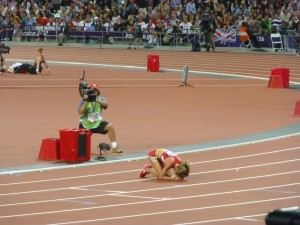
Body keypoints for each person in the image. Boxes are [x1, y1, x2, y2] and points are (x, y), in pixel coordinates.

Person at [77, 83, 122, 153]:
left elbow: (106, 106)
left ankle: (114, 146)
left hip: (98, 123)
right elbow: (80, 112)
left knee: (110, 126)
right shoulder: (84, 100)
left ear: (98, 91)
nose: (94, 91)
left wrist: (96, 100)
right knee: (82, 149)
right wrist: (86, 101)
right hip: (86, 124)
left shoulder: (101, 99)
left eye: (95, 90)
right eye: (92, 90)